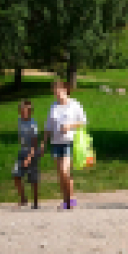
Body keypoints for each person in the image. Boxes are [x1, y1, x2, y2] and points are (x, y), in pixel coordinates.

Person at [47, 78, 88, 210]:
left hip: (69, 142)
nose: (57, 93)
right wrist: (43, 143)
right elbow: (48, 126)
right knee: (60, 174)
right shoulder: (53, 106)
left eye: (58, 90)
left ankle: (72, 198)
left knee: (65, 171)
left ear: (65, 90)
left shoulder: (74, 104)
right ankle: (66, 201)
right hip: (55, 143)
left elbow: (83, 122)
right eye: (55, 91)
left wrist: (69, 126)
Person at [12, 99, 41, 208]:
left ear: (30, 112)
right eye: (21, 110)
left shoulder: (33, 124)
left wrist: (29, 157)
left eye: (25, 111)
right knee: (16, 175)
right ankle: (23, 198)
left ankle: (35, 201)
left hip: (31, 152)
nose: (23, 112)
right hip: (22, 151)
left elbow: (35, 143)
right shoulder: (19, 120)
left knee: (33, 178)